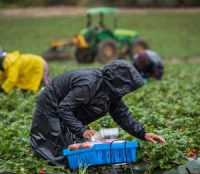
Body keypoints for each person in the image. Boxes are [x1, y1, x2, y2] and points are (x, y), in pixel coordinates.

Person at [30, 60, 166, 166]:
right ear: (117, 81)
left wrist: (143, 133)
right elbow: (64, 108)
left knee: (76, 144)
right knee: (60, 153)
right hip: (51, 107)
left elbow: (122, 114)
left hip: (68, 108)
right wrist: (82, 130)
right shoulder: (88, 84)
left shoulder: (111, 91)